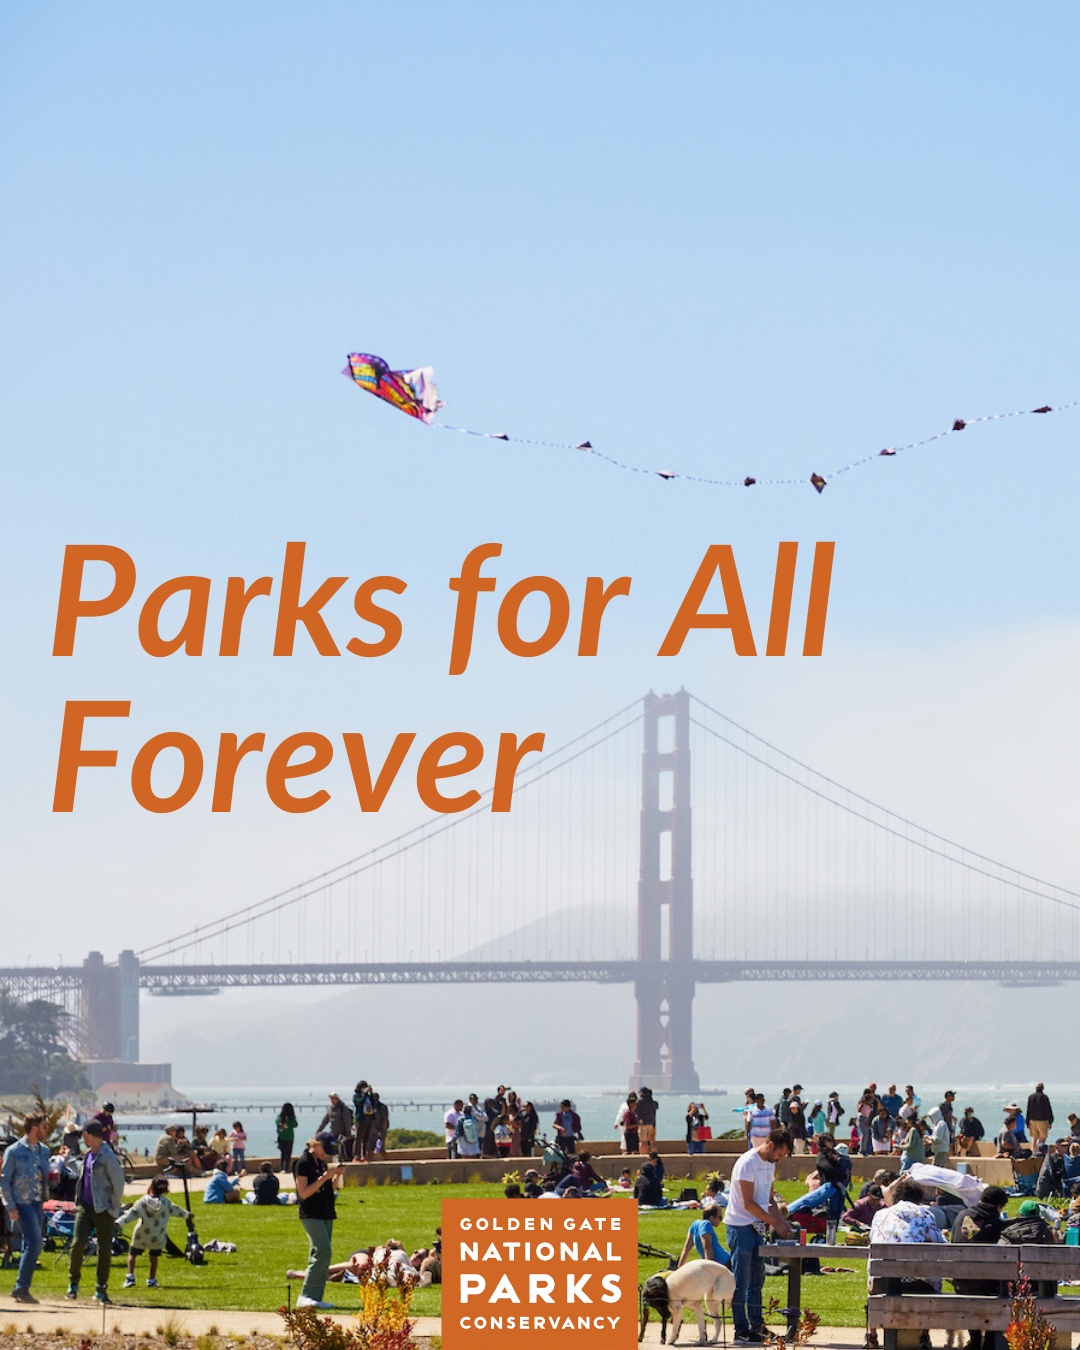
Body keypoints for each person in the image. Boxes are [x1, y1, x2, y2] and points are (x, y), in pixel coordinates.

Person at [725, 1127, 793, 1344]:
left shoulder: (769, 1165)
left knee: (757, 1280)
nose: (780, 1159)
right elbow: (748, 1203)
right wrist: (773, 1221)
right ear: (770, 1145)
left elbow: (769, 1199)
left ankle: (757, 1326)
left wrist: (781, 1222)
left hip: (757, 1228)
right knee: (741, 1280)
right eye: (780, 1154)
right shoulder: (747, 1163)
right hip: (740, 1226)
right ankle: (741, 1329)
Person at [66, 1120, 125, 1304]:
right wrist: (67, 1159)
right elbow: (82, 1172)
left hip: (103, 1209)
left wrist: (114, 1209)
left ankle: (101, 1289)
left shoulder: (107, 1156)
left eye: (83, 1134)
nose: (82, 1138)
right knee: (77, 1244)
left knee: (104, 1250)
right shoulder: (88, 1154)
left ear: (88, 1135)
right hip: (85, 1206)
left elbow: (119, 1183)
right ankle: (73, 1283)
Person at [1, 1112, 51, 1304]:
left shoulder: (44, 1151)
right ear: (34, 1128)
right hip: (22, 1204)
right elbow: (4, 1181)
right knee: (36, 1243)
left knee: (32, 1245)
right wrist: (10, 1205)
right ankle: (21, 1288)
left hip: (38, 1202)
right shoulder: (13, 1151)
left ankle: (20, 1288)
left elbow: (47, 1175)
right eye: (44, 1127)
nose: (47, 1130)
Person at [295, 1131, 345, 1309]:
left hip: (326, 1212)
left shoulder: (320, 1162)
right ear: (316, 1145)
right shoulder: (302, 1163)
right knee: (323, 1251)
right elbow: (304, 1192)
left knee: (319, 1254)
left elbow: (328, 1188)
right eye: (325, 1149)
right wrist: (324, 1176)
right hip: (311, 1213)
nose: (327, 1153)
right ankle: (307, 1295)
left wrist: (336, 1175)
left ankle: (315, 1296)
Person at [118, 1176, 191, 1288]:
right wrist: (187, 1215)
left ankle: (130, 1277)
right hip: (158, 1234)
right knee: (154, 1258)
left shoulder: (142, 1201)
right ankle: (151, 1279)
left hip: (141, 1234)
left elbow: (131, 1214)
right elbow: (177, 1210)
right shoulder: (166, 1203)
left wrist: (119, 1222)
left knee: (132, 1254)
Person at [353, 1082, 375, 1161]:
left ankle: (364, 1155)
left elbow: (373, 1103)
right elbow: (360, 1102)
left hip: (368, 1118)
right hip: (360, 1119)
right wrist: (365, 1094)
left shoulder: (368, 1097)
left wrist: (371, 1094)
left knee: (366, 1138)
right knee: (358, 1137)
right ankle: (356, 1155)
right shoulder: (356, 1096)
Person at [276, 1102, 298, 1173]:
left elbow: (277, 1123)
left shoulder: (280, 1116)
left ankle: (283, 1167)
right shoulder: (291, 1117)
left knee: (283, 1153)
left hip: (283, 1137)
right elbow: (295, 1125)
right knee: (288, 1153)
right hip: (289, 1137)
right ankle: (286, 1167)